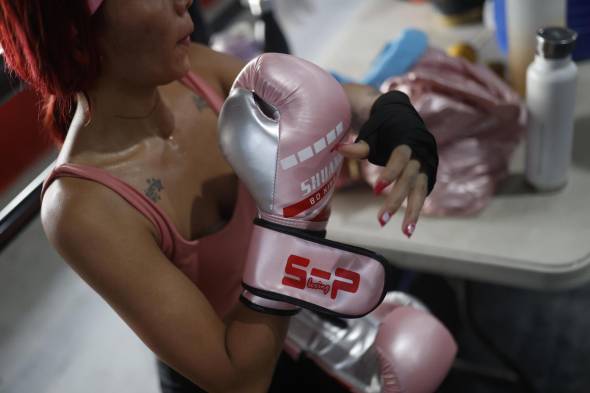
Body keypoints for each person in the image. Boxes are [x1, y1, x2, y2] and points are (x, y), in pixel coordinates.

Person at [0, 0, 437, 392]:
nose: (184, 1)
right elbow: (239, 378)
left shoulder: (196, 72)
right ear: (76, 35)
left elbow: (330, 99)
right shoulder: (82, 206)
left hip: (297, 318)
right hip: (234, 364)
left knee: (437, 306)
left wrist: (390, 111)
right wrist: (294, 220)